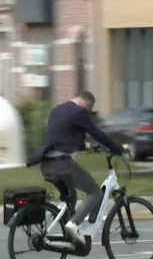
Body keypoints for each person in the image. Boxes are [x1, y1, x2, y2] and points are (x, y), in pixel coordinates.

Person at [26, 91, 128, 244]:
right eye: (90, 109)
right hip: (62, 165)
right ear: (87, 105)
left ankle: (70, 239)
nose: (88, 112)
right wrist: (118, 148)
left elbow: (61, 136)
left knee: (70, 197)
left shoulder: (57, 110)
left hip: (46, 165)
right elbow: (97, 133)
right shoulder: (80, 111)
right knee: (94, 192)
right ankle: (73, 225)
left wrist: (84, 146)